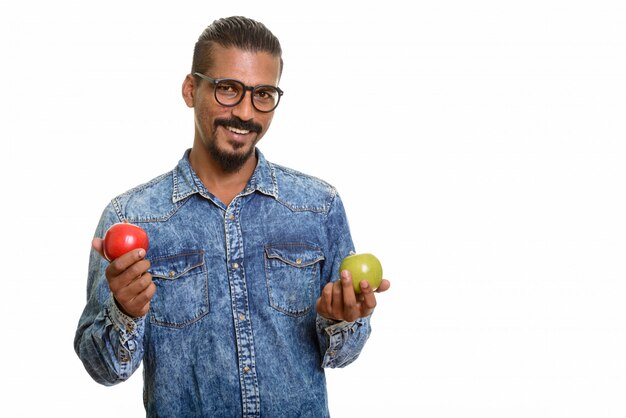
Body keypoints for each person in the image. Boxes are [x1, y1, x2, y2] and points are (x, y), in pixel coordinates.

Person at [74, 15, 390, 417]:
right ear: (191, 89)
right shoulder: (132, 218)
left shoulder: (319, 206)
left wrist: (342, 322)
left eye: (263, 94)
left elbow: (340, 356)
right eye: (228, 89)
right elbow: (103, 369)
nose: (245, 112)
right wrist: (126, 311)